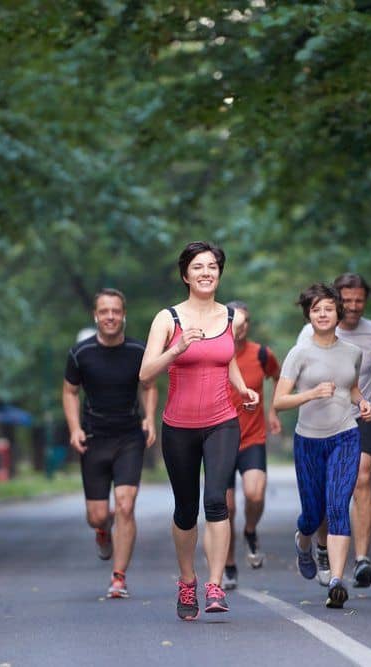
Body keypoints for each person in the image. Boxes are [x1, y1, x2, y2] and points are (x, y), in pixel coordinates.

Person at [139, 241, 260, 621]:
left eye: (212, 266)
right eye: (198, 267)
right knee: (186, 510)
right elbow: (145, 374)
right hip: (179, 426)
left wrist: (241, 388)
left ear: (219, 273)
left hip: (222, 421)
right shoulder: (168, 319)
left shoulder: (229, 317)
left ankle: (215, 584)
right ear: (185, 275)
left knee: (217, 502)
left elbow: (225, 360)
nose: (206, 272)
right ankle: (187, 580)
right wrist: (177, 349)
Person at [274, 283, 371, 609]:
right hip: (308, 442)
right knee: (313, 516)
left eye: (328, 308)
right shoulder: (299, 353)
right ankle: (304, 545)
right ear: (309, 315)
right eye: (316, 309)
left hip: (345, 436)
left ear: (337, 313)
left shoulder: (352, 353)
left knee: (337, 506)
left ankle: (336, 580)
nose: (322, 314)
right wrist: (312, 394)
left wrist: (364, 404)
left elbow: (352, 389)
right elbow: (279, 401)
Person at [297, 273, 371, 587]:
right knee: (329, 490)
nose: (353, 307)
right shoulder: (311, 331)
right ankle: (323, 547)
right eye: (347, 300)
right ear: (337, 301)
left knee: (362, 476)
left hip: (359, 416)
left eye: (359, 300)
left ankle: (362, 559)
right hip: (321, 421)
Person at [62, 288, 158, 600]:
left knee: (126, 506)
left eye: (116, 311)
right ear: (96, 315)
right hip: (94, 439)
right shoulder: (80, 354)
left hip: (129, 437)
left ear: (124, 315)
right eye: (104, 311)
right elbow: (70, 392)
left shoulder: (137, 351)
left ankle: (119, 577)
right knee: (97, 515)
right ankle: (103, 532)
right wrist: (75, 428)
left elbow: (149, 386)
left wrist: (149, 418)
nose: (111, 317)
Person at [221, 300, 282, 591]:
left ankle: (250, 530)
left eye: (243, 322)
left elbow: (279, 377)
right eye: (234, 322)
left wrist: (273, 410)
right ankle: (229, 565)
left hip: (252, 437)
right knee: (227, 507)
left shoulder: (261, 354)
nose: (239, 328)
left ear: (248, 324)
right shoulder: (215, 353)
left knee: (255, 495)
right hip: (219, 439)